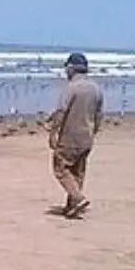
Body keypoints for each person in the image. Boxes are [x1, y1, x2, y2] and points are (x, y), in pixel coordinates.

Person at [48, 52, 103, 218]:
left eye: (67, 68)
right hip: (87, 135)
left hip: (70, 136)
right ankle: (72, 205)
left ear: (71, 68)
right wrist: (94, 131)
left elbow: (61, 111)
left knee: (60, 168)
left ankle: (78, 198)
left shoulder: (71, 87)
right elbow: (99, 115)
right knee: (78, 171)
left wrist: (53, 132)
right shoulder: (96, 89)